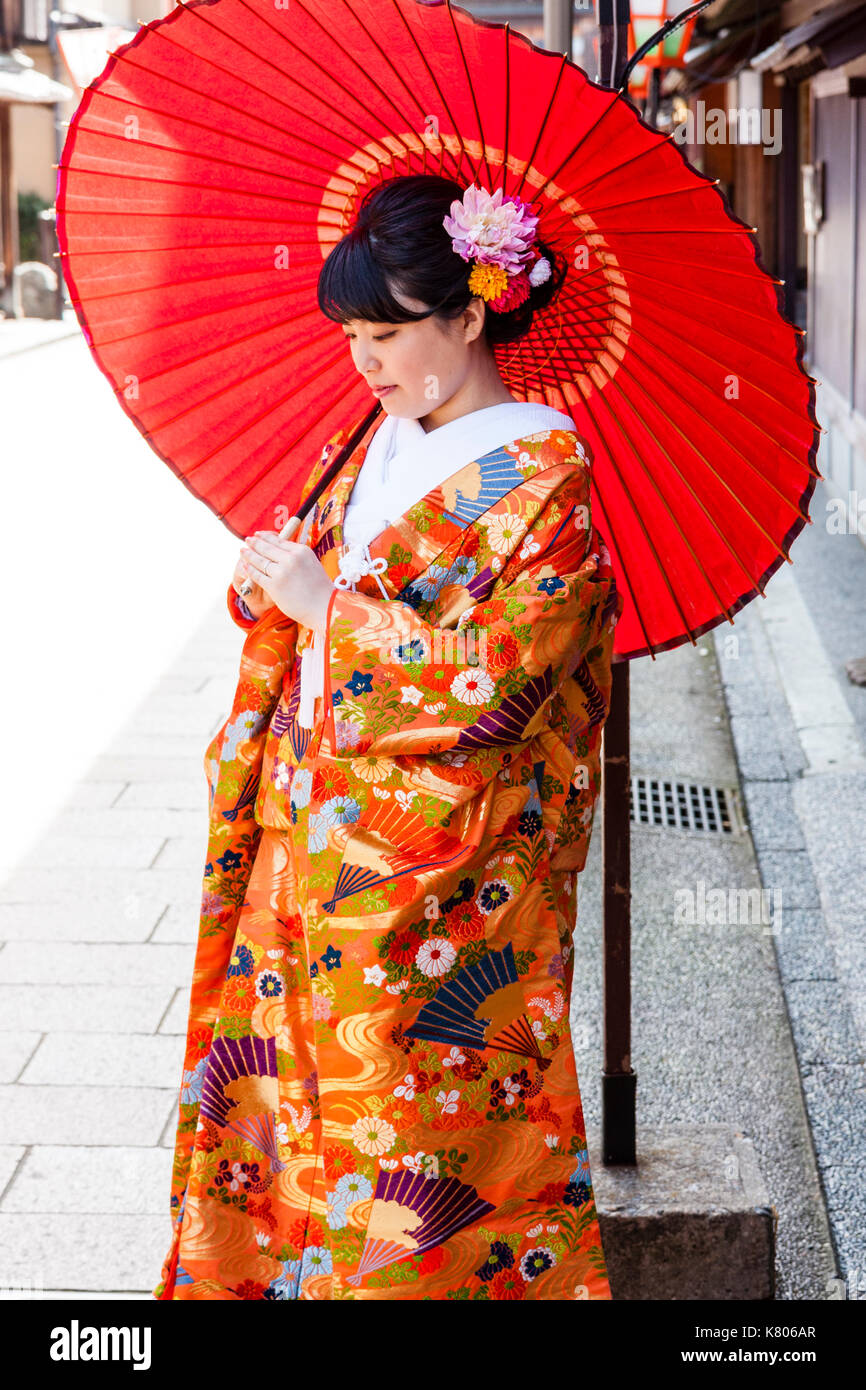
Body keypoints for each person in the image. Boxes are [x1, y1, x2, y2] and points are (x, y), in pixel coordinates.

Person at [153, 173, 623, 1301]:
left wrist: (329, 609)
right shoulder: (378, 441)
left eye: (387, 333)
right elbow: (313, 605)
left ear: (469, 315)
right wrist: (275, 587)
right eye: (351, 335)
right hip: (305, 836)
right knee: (286, 1099)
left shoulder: (545, 477)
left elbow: (503, 677)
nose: (364, 360)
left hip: (437, 877)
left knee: (414, 1131)